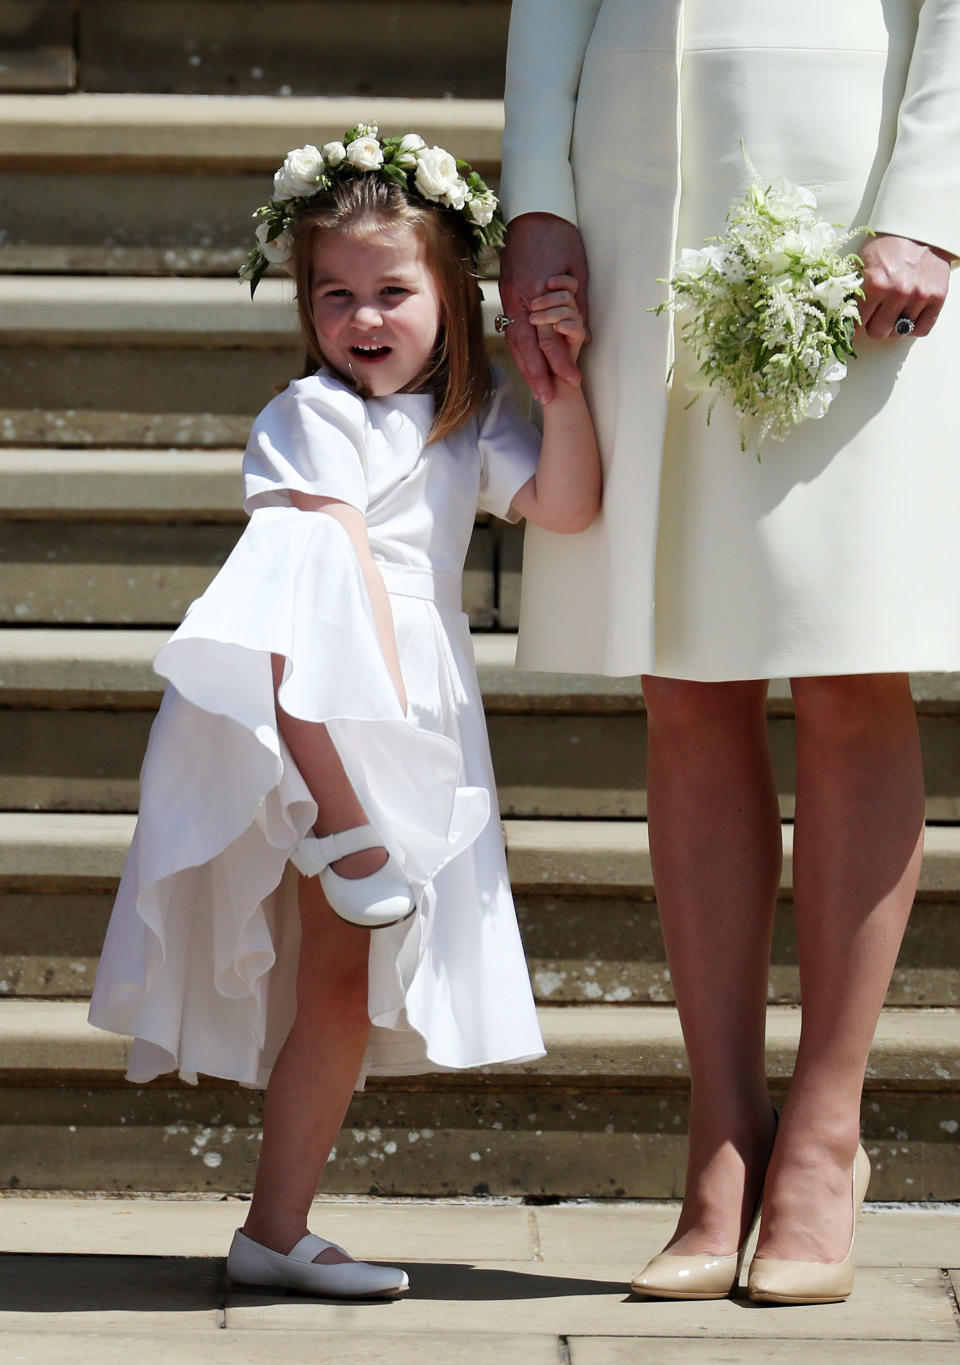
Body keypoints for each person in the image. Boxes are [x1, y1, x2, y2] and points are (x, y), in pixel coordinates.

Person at [89, 123, 600, 1298]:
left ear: (450, 293)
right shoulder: (304, 412)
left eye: (391, 292)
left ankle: (276, 1229)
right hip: (299, 699)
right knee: (317, 545)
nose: (363, 320)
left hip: (411, 695)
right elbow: (329, 573)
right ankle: (337, 813)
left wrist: (559, 390)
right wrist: (362, 738)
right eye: (336, 296)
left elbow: (567, 508)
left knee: (335, 985)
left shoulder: (472, 423)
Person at [499, 0, 959, 1305]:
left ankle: (823, 1134)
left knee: (848, 654)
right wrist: (537, 189)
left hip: (848, 192)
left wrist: (929, 197)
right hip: (636, 185)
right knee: (682, 673)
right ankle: (721, 1133)